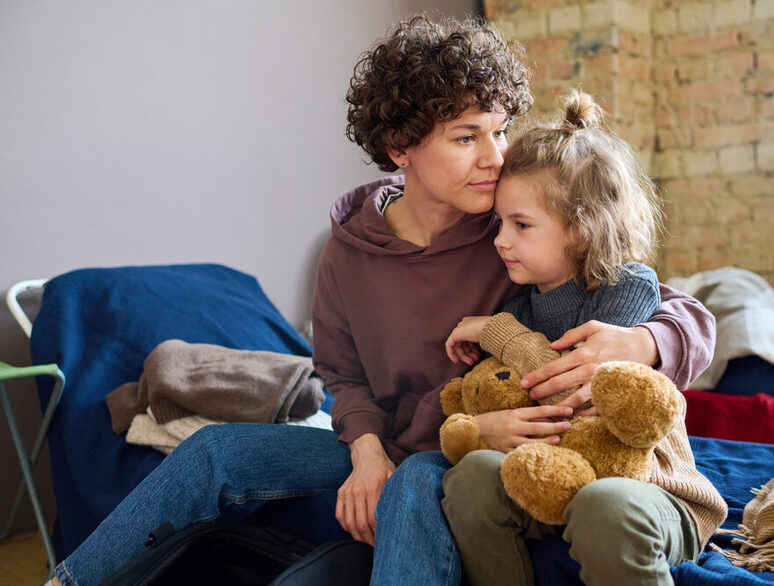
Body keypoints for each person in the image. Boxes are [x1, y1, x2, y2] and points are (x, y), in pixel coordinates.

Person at [50, 15, 715, 586]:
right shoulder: (347, 254)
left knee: (414, 486)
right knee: (216, 452)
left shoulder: (511, 229)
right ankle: (70, 578)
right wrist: (365, 450)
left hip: (452, 449)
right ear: (401, 148)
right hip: (385, 438)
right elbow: (341, 375)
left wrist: (643, 341)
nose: (495, 156)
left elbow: (665, 300)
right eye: (467, 137)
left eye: (500, 130)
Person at [440, 92, 727, 586]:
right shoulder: (519, 307)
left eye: (521, 225)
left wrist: (497, 333)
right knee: (469, 477)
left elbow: (573, 389)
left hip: (648, 489)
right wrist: (485, 425)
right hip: (550, 480)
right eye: (500, 223)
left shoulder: (626, 286)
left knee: (605, 502)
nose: (500, 240)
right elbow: (509, 391)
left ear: (582, 231)